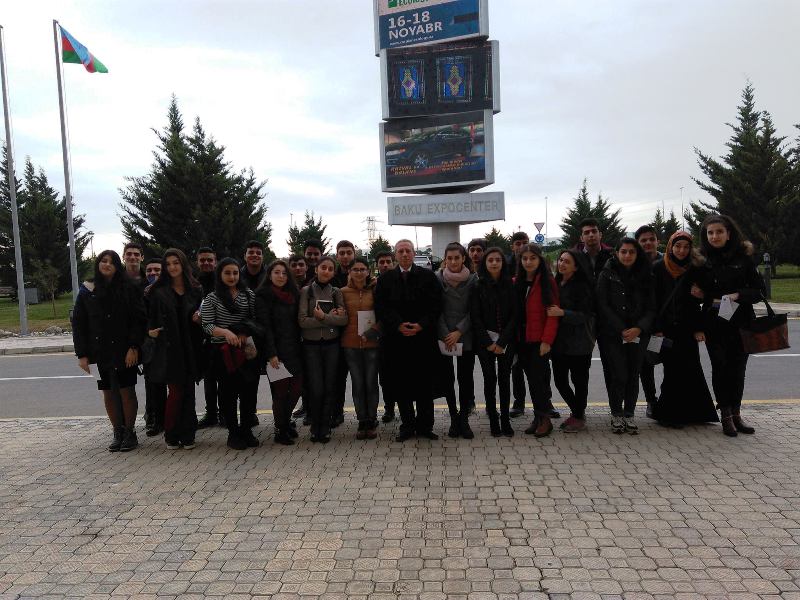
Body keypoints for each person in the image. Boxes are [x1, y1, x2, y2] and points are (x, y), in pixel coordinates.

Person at [694, 214, 763, 436]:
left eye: (719, 232)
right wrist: (700, 295)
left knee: (738, 370)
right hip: (714, 323)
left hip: (742, 322)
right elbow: (693, 293)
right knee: (720, 368)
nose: (714, 236)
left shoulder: (744, 258)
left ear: (729, 233)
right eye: (710, 233)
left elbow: (759, 291)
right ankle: (725, 415)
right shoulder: (701, 260)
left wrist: (738, 294)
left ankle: (736, 413)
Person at [72, 250, 146, 452]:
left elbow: (137, 320)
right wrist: (82, 355)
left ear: (117, 266)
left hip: (125, 349)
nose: (106, 264)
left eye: (111, 262)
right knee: (107, 392)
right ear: (98, 263)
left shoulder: (128, 288)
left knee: (126, 391)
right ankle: (117, 432)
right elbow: (79, 323)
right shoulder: (87, 289)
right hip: (98, 351)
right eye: (103, 261)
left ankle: (129, 432)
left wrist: (134, 347)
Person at [375, 239, 442, 442]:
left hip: (423, 339)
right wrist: (398, 325)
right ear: (395, 255)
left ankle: (425, 426)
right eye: (400, 251)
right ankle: (407, 426)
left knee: (424, 385)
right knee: (402, 385)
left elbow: (436, 305)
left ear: (414, 253)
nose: (404, 254)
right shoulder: (385, 279)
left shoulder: (428, 276)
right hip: (397, 341)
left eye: (408, 250)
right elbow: (381, 307)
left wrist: (421, 325)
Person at [651, 231, 718, 427]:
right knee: (672, 371)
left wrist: (701, 297)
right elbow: (652, 301)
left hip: (687, 327)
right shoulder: (658, 267)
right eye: (678, 246)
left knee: (691, 368)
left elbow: (705, 299)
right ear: (670, 247)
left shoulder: (695, 268)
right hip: (665, 329)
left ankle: (695, 413)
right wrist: (656, 328)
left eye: (686, 247)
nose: (681, 250)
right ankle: (669, 415)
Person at [596, 238, 656, 434]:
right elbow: (602, 304)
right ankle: (616, 414)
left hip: (639, 334)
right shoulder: (607, 273)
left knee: (633, 375)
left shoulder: (646, 274)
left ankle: (629, 414)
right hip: (613, 334)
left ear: (637, 254)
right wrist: (621, 328)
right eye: (623, 251)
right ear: (617, 253)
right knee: (619, 375)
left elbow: (651, 307)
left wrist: (638, 328)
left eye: (631, 252)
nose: (627, 255)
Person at [201, 258, 261, 450]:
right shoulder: (211, 298)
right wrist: (226, 332)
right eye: (227, 273)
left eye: (235, 273)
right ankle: (233, 433)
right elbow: (207, 325)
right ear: (220, 275)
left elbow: (256, 319)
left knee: (249, 392)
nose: (232, 276)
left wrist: (244, 332)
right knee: (228, 394)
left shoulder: (248, 295)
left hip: (247, 349)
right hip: (223, 352)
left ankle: (246, 430)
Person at [146, 249, 204, 449]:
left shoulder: (195, 289)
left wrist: (199, 319)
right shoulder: (157, 291)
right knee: (176, 391)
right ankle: (171, 433)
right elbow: (149, 319)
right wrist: (150, 332)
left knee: (189, 391)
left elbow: (202, 315)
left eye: (176, 263)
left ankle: (188, 434)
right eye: (168, 264)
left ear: (183, 264)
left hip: (190, 347)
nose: (172, 267)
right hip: (168, 348)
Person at [298, 256, 348, 443]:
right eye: (323, 267)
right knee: (316, 388)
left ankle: (325, 427)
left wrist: (323, 317)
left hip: (332, 345)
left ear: (333, 273)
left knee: (329, 387)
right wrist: (327, 319)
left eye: (330, 269)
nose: (326, 271)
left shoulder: (336, 292)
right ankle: (315, 426)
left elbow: (344, 319)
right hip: (310, 346)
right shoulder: (306, 291)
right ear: (316, 269)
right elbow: (302, 321)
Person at [255, 260, 303, 445]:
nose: (281, 276)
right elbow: (265, 328)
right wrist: (271, 354)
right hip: (275, 352)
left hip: (295, 350)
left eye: (284, 273)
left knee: (297, 389)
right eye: (276, 272)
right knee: (280, 393)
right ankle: (280, 429)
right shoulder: (263, 296)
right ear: (269, 275)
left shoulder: (294, 294)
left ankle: (284, 421)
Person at [547, 250, 595, 433]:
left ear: (576, 266)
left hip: (579, 343)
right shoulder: (556, 283)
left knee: (580, 382)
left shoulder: (583, 287)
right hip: (559, 343)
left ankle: (578, 416)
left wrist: (562, 313)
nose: (562, 264)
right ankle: (578, 412)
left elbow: (586, 315)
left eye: (567, 262)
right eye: (560, 260)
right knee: (560, 381)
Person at [471, 247, 517, 437]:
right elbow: (475, 317)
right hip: (485, 342)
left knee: (505, 380)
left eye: (498, 260)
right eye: (490, 260)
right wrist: (488, 342)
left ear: (503, 263)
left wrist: (502, 342)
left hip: (506, 341)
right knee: (489, 379)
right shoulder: (478, 286)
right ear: (485, 263)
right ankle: (493, 419)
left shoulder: (511, 285)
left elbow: (515, 315)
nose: (494, 263)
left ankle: (505, 419)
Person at [514, 244, 560, 437]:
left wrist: (547, 340)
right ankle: (538, 417)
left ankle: (545, 420)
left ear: (540, 260)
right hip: (521, 339)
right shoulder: (517, 281)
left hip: (539, 340)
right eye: (524, 258)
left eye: (532, 258)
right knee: (532, 381)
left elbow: (553, 314)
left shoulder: (547, 282)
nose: (528, 262)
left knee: (539, 382)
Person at [435, 242, 477, 438]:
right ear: (445, 260)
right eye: (449, 258)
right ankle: (453, 417)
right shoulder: (437, 279)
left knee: (465, 379)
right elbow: (436, 309)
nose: (453, 262)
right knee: (447, 379)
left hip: (465, 335)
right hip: (444, 336)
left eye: (457, 258)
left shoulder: (474, 280)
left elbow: (475, 310)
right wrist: (446, 333)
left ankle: (464, 419)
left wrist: (459, 331)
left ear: (463, 259)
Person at [340, 257, 381, 439]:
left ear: (368, 271)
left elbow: (383, 315)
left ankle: (371, 419)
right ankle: (362, 420)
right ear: (349, 272)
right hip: (350, 345)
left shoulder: (375, 290)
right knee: (357, 383)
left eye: (362, 269)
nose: (358, 272)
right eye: (355, 269)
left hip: (372, 344)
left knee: (371, 382)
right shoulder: (342, 292)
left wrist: (374, 331)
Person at [635, 225, 662, 418]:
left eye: (651, 239)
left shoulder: (668, 261)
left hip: (667, 322)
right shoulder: (634, 264)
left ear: (657, 241)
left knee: (671, 361)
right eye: (643, 240)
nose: (648, 243)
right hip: (645, 324)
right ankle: (651, 401)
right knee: (646, 364)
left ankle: (670, 399)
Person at [239, 240, 268, 428]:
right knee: (249, 379)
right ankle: (248, 415)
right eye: (251, 252)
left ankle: (281, 418)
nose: (255, 255)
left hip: (268, 334)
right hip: (247, 335)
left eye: (258, 252)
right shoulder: (237, 276)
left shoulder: (270, 275)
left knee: (277, 377)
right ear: (245, 256)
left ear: (262, 256)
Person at [195, 247, 223, 429]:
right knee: (209, 378)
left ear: (215, 261)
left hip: (221, 335)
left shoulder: (222, 282)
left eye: (209, 260)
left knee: (225, 379)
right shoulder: (193, 283)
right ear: (197, 262)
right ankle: (211, 413)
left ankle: (225, 414)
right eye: (202, 260)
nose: (206, 263)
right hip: (202, 338)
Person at [330, 240, 356, 428]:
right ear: (337, 255)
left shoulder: (362, 274)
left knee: (362, 378)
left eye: (348, 252)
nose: (345, 256)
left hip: (358, 334)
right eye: (342, 253)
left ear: (354, 254)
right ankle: (336, 412)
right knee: (338, 378)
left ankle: (367, 415)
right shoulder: (331, 277)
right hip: (336, 336)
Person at [142, 257, 166, 436]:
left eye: (157, 270)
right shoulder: (144, 293)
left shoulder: (171, 290)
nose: (153, 273)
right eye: (149, 270)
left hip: (170, 343)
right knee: (154, 387)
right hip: (151, 346)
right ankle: (157, 421)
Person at [507, 231, 529, 418]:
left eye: (525, 242)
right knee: (516, 367)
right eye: (518, 243)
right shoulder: (506, 266)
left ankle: (546, 403)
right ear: (512, 246)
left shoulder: (536, 264)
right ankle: (519, 402)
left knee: (540, 369)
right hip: (513, 325)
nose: (521, 246)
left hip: (532, 323)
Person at [374, 250, 398, 423]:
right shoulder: (371, 285)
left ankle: (405, 407)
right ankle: (389, 408)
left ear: (393, 263)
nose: (385, 265)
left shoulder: (401, 281)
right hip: (381, 337)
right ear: (377, 265)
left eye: (388, 261)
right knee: (385, 377)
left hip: (399, 335)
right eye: (381, 262)